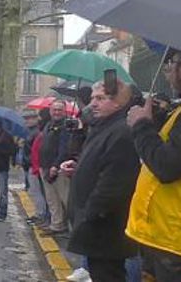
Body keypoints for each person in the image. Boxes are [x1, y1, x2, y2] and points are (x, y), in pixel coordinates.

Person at [66, 79, 141, 282]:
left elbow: (114, 184)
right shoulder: (103, 127)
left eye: (100, 98)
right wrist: (79, 167)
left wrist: (89, 215)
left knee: (108, 275)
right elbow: (101, 163)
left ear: (118, 102)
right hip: (98, 225)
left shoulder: (122, 132)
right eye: (92, 98)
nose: (93, 104)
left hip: (105, 227)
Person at [126, 47, 181, 281]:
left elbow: (167, 167)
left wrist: (141, 126)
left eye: (173, 64)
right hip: (161, 235)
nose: (168, 71)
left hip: (172, 238)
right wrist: (155, 121)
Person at [40, 99, 74, 235]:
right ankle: (56, 224)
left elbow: (64, 149)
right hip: (45, 166)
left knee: (65, 198)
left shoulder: (66, 127)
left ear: (64, 111)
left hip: (59, 168)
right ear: (50, 111)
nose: (57, 112)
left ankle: (73, 228)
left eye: (60, 109)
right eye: (54, 109)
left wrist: (55, 165)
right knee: (52, 199)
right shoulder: (48, 125)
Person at [0, 127, 17, 222]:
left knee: (3, 192)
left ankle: (2, 213)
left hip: (2, 166)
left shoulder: (7, 136)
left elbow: (12, 151)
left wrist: (0, 149)